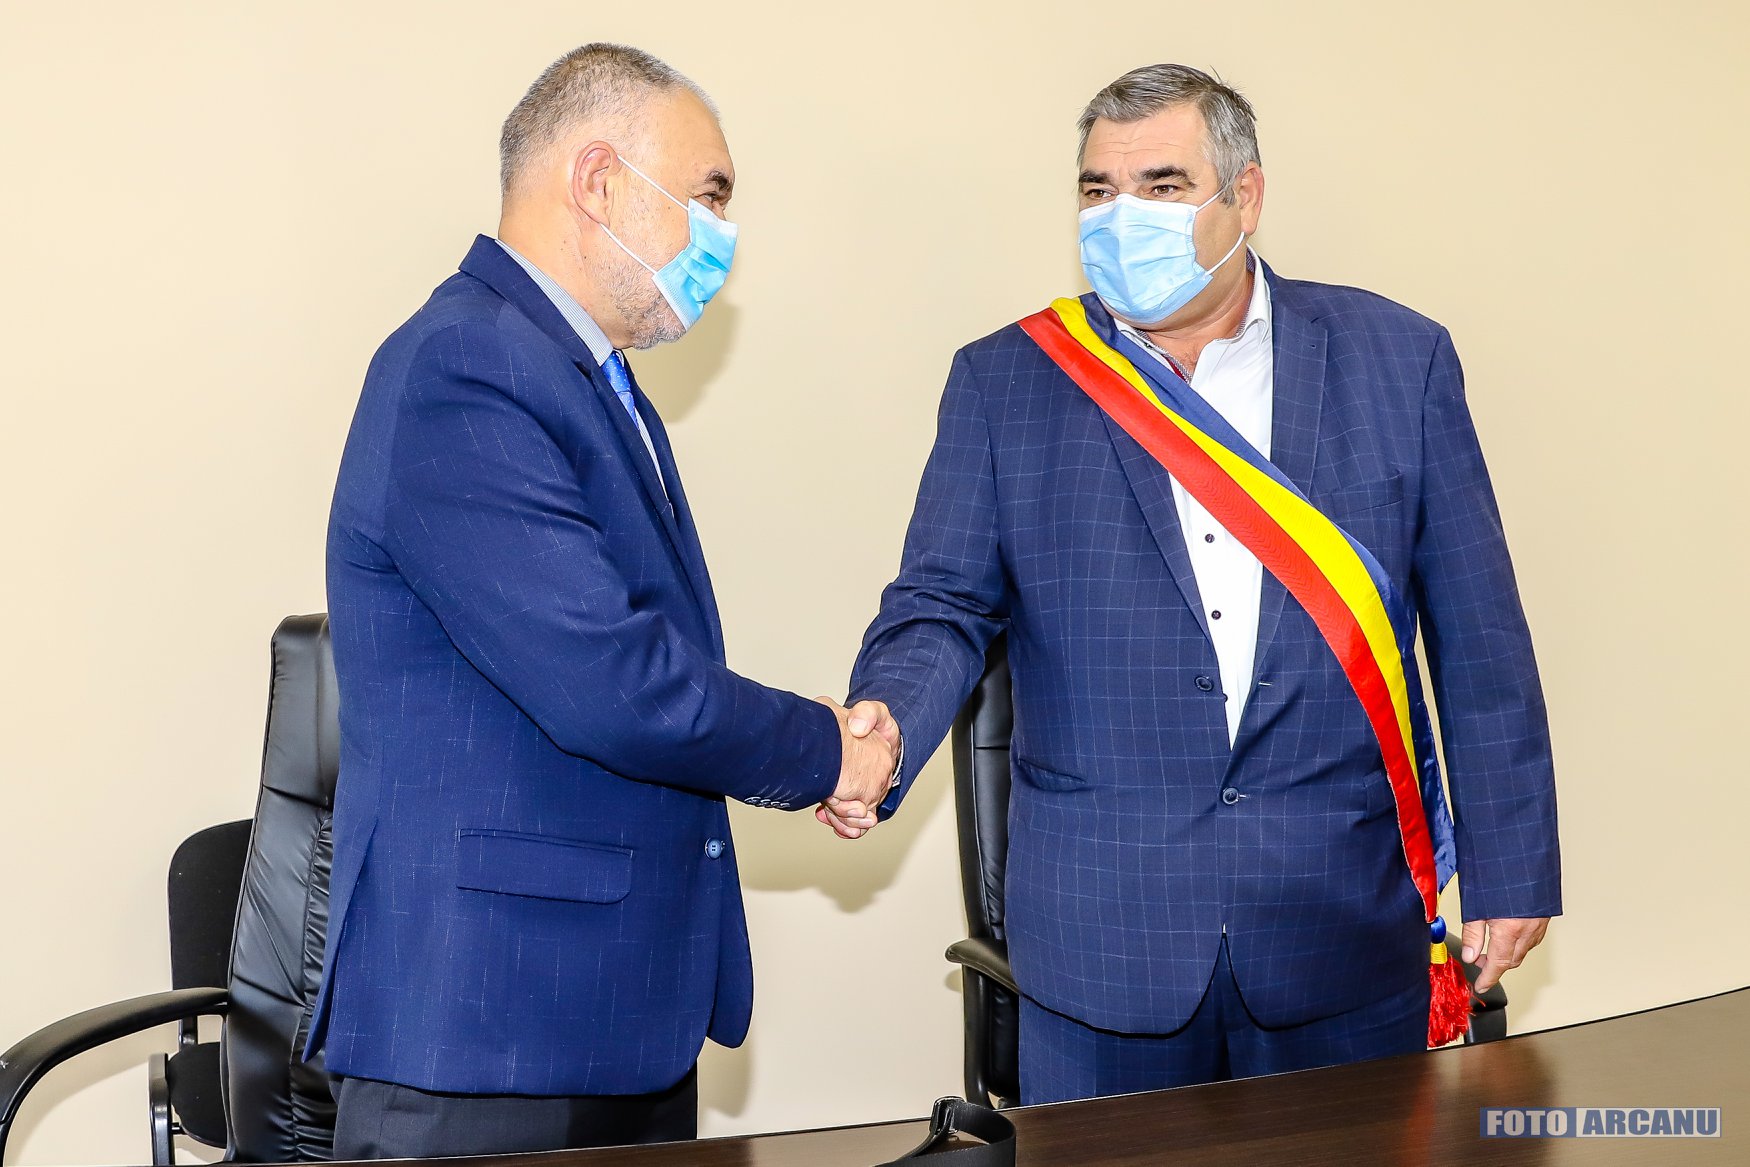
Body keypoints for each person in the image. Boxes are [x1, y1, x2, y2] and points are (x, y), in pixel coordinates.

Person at [828, 63, 1560, 1103]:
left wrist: (1511, 865)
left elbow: (1479, 635)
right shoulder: (1007, 381)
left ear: (1245, 197)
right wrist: (886, 725)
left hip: (1341, 921)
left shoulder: (1399, 360)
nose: (1121, 215)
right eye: (1098, 190)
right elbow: (940, 602)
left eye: (1162, 186)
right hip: (1104, 935)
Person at [306, 43, 897, 1157]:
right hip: (492, 1038)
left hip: (607, 1020)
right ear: (598, 181)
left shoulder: (584, 378)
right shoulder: (466, 366)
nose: (722, 233)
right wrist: (827, 749)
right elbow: (615, 682)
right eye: (709, 195)